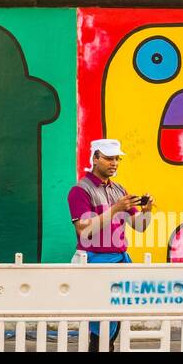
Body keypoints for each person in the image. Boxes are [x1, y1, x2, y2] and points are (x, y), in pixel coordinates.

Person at [67, 138, 154, 348]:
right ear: (95, 158)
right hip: (96, 261)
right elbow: (84, 230)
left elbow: (140, 226)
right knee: (101, 320)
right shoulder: (80, 190)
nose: (114, 163)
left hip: (119, 261)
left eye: (117, 159)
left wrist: (147, 210)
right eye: (108, 158)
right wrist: (115, 209)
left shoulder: (119, 189)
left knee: (115, 319)